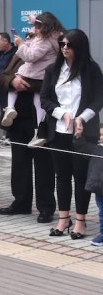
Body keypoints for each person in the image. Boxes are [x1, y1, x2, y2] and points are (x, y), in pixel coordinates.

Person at [40, 29, 103, 240]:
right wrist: (62, 114)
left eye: (69, 45)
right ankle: (64, 218)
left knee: (81, 176)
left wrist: (81, 118)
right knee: (62, 176)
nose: (64, 48)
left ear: (79, 47)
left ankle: (81, 220)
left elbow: (98, 100)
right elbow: (45, 99)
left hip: (83, 133)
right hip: (58, 131)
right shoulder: (53, 69)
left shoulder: (91, 70)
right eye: (62, 44)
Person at [0, 12, 63, 146]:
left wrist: (21, 45)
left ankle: (11, 109)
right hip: (21, 119)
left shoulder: (44, 43)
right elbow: (2, 77)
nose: (31, 35)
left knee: (39, 99)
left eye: (34, 31)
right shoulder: (46, 40)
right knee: (37, 98)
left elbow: (30, 56)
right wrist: (12, 81)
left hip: (35, 79)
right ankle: (37, 128)